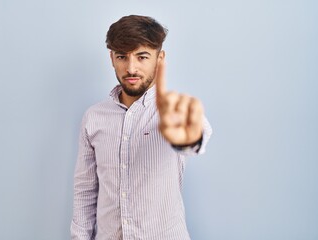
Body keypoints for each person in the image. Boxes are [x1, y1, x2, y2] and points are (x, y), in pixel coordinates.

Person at [71, 15, 212, 240]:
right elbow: (85, 192)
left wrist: (187, 137)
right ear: (111, 59)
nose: (131, 68)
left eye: (142, 56)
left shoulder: (172, 111)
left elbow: (197, 135)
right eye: (122, 57)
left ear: (160, 58)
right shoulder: (93, 117)